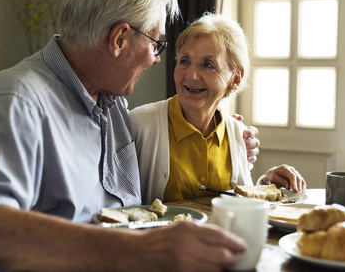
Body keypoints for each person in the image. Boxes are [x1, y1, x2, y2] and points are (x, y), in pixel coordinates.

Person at [0, 0, 258, 271]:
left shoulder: (112, 104)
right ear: (119, 39)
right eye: (156, 43)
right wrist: (137, 249)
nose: (157, 59)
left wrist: (232, 137)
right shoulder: (18, 100)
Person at [130, 13, 306, 204]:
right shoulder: (139, 124)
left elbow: (240, 201)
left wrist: (267, 183)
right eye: (184, 61)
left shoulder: (239, 133)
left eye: (208, 65)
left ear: (236, 78)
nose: (191, 75)